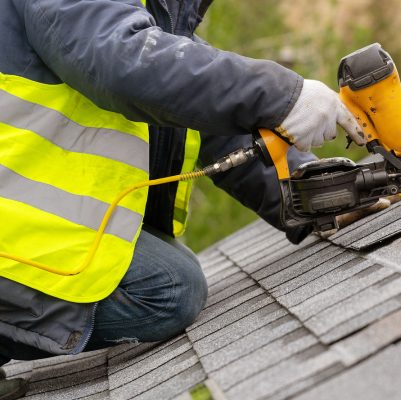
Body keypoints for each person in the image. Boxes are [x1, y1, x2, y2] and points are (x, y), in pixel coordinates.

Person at [0, 1, 366, 398]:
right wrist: (280, 95)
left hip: (23, 225)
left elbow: (206, 115)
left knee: (173, 275)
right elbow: (126, 62)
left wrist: (316, 193)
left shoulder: (155, 14)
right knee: (168, 289)